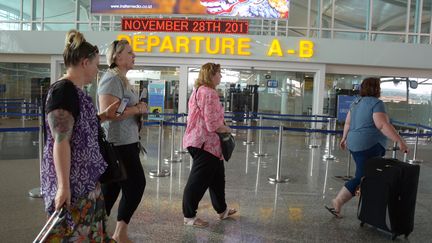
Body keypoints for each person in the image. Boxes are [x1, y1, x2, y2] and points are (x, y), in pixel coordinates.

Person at [40, 29, 119, 241]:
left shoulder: (76, 92)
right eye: (95, 64)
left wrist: (103, 116)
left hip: (86, 181)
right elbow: (61, 141)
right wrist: (63, 187)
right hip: (74, 185)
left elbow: (78, 128)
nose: (97, 69)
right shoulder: (63, 91)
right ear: (85, 62)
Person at [325, 77, 409, 218]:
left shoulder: (356, 102)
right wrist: (400, 141)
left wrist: (344, 138)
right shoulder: (377, 104)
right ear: (377, 89)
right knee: (362, 176)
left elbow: (347, 123)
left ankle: (367, 205)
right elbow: (382, 125)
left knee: (368, 174)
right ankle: (338, 201)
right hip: (369, 145)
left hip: (354, 143)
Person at [98, 39, 147, 242]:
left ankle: (98, 229)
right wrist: (138, 109)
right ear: (117, 57)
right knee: (136, 184)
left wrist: (137, 110)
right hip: (118, 145)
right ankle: (119, 232)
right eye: (129, 52)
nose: (134, 55)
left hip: (127, 142)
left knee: (112, 189)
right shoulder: (111, 79)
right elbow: (110, 114)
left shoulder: (122, 79)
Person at [182, 62, 237, 227]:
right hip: (205, 144)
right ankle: (189, 216)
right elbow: (212, 124)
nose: (221, 76)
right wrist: (228, 128)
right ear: (211, 75)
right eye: (219, 73)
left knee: (218, 178)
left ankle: (222, 210)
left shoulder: (198, 91)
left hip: (205, 143)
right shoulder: (209, 93)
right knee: (198, 181)